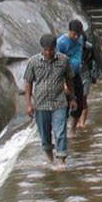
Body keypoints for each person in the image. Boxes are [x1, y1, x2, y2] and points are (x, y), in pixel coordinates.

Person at [23, 34, 76, 169]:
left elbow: (69, 80)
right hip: (41, 104)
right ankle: (50, 158)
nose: (48, 53)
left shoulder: (64, 60)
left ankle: (62, 160)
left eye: (51, 50)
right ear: (41, 49)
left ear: (55, 48)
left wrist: (73, 98)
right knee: (45, 134)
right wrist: (28, 104)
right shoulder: (33, 62)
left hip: (59, 102)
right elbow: (28, 82)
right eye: (45, 50)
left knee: (60, 132)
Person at [57, 20, 85, 137]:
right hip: (63, 77)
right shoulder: (61, 42)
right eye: (74, 34)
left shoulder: (80, 40)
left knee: (80, 104)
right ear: (68, 31)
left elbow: (79, 55)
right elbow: (57, 63)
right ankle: (61, 131)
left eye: (78, 34)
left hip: (76, 75)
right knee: (64, 104)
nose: (76, 37)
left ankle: (72, 130)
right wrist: (63, 83)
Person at [79, 39, 98, 128]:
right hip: (73, 76)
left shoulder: (89, 47)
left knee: (83, 99)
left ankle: (82, 123)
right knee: (74, 99)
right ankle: (77, 121)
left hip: (85, 74)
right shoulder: (69, 46)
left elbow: (93, 62)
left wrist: (94, 76)